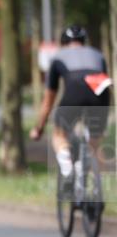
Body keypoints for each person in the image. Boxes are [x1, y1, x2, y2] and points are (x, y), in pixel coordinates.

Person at [30, 24, 112, 182]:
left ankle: (67, 166)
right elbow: (102, 81)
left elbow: (49, 99)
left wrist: (39, 128)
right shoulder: (98, 55)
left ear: (64, 42)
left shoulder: (58, 57)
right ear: (83, 41)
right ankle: (91, 174)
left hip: (74, 92)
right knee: (94, 140)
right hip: (100, 93)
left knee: (59, 134)